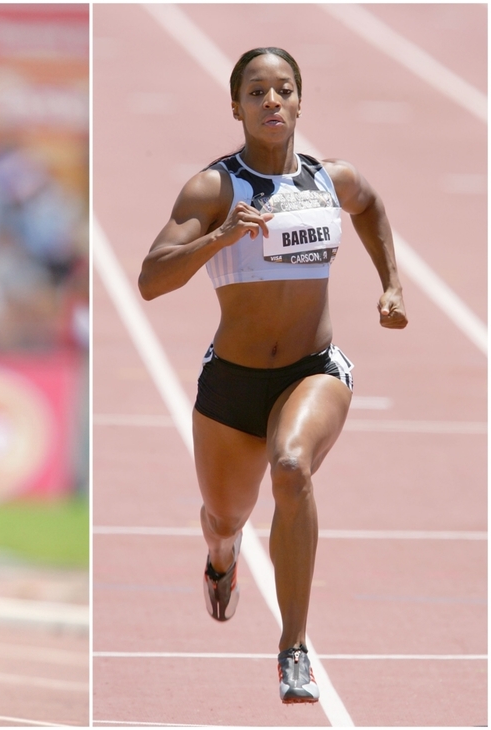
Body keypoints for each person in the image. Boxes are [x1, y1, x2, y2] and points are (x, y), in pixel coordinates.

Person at [138, 47, 407, 704]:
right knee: (226, 517)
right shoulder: (214, 188)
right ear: (236, 106)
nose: (271, 101)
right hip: (232, 384)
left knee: (291, 468)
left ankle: (293, 647)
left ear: (299, 100)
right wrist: (218, 238)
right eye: (256, 91)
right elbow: (149, 280)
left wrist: (392, 284)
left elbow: (369, 205)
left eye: (283, 89)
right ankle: (222, 558)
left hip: (314, 370)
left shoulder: (329, 179)